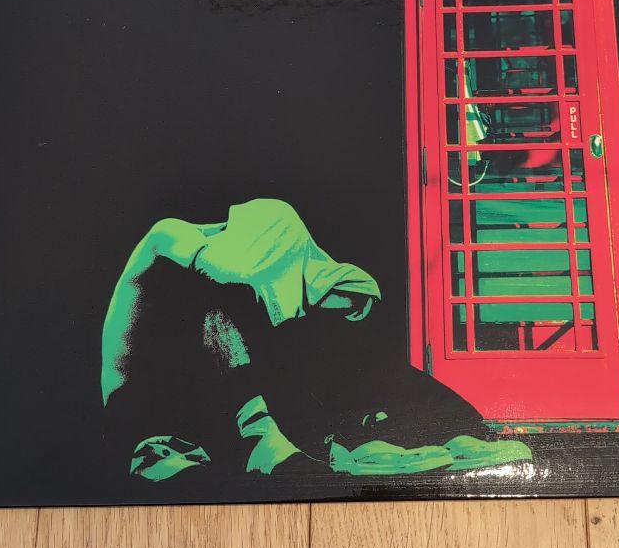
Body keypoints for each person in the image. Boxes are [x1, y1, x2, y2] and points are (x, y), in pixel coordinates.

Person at [101, 198, 531, 483]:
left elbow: (346, 290)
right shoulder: (167, 235)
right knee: (222, 303)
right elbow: (223, 271)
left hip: (212, 400)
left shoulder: (270, 244)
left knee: (321, 337)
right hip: (145, 412)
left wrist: (333, 293)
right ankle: (265, 440)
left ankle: (447, 427)